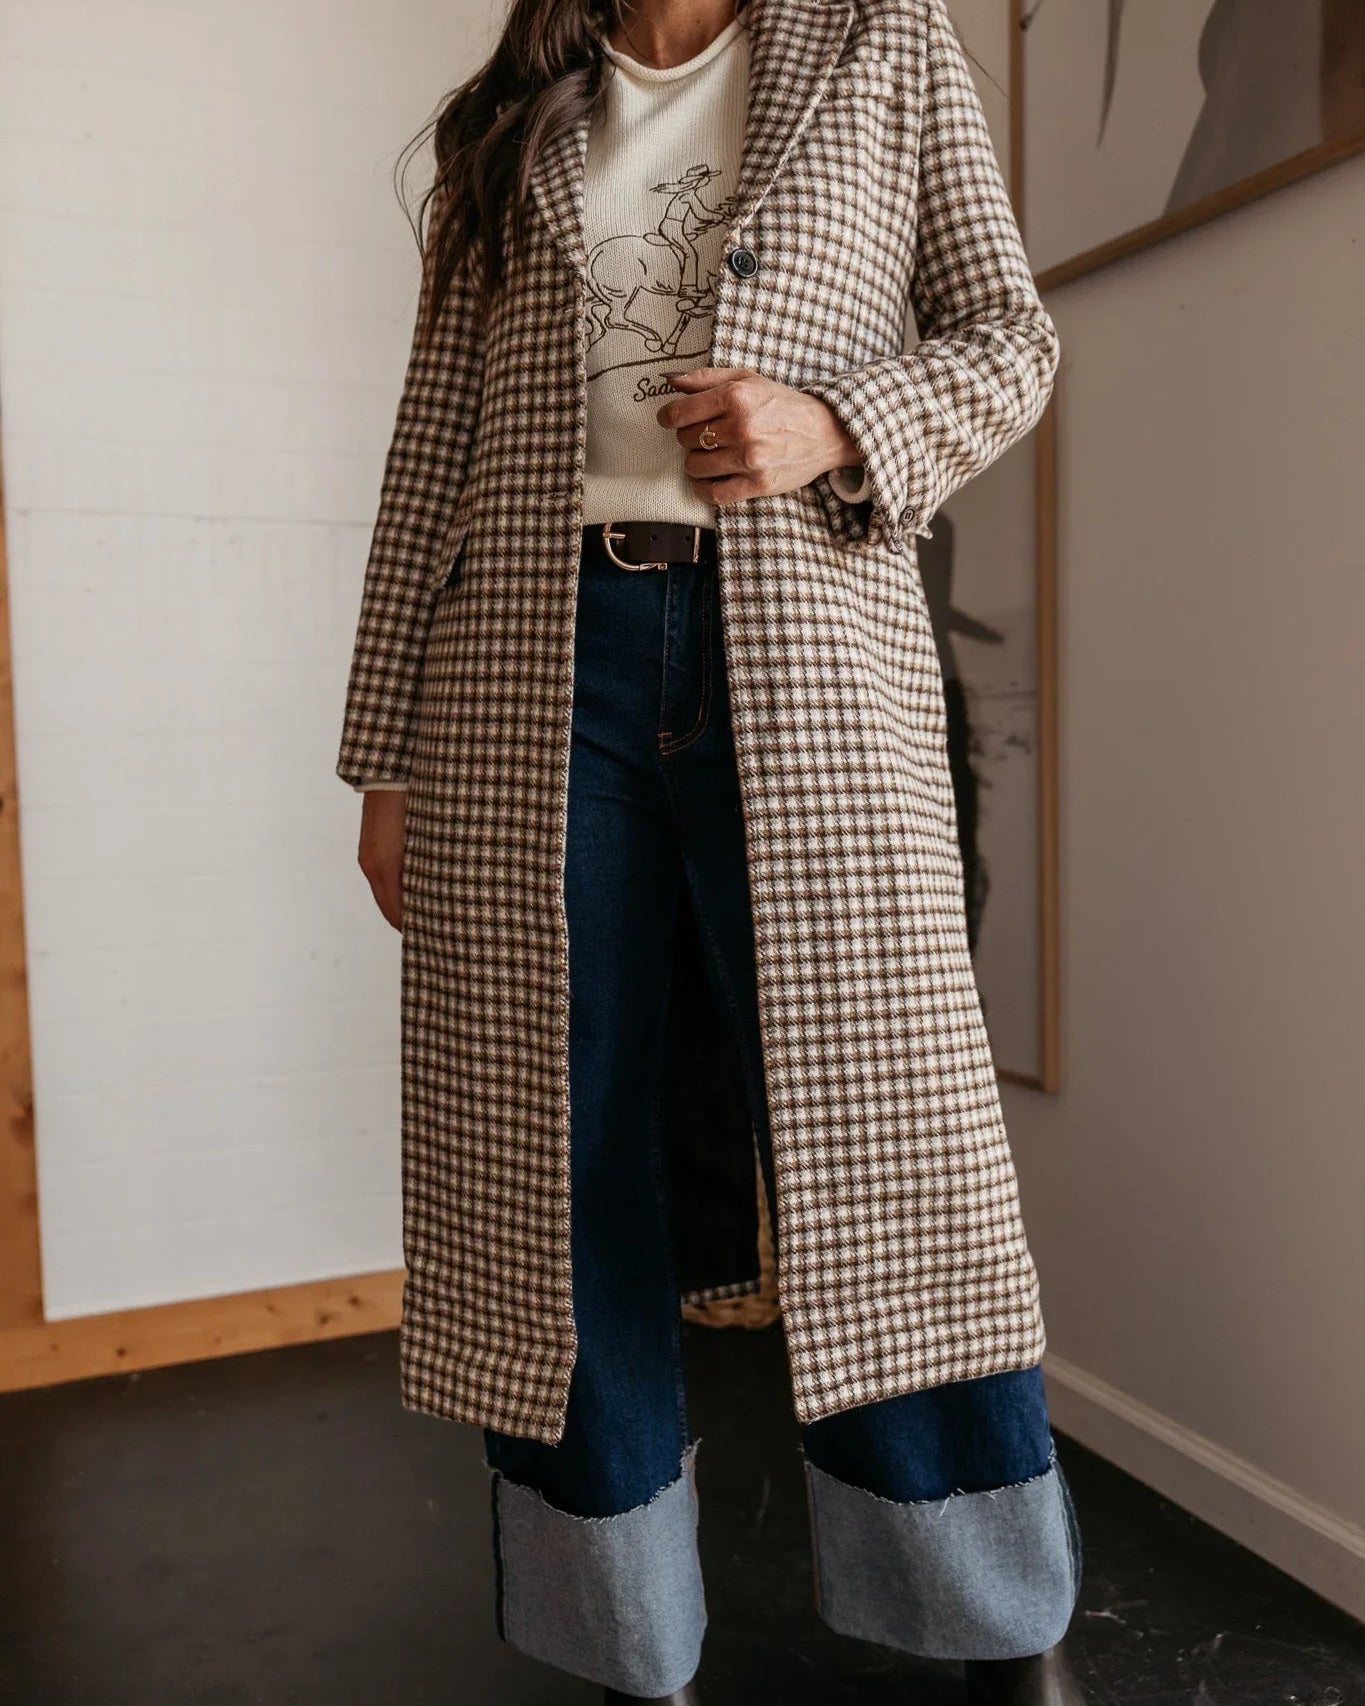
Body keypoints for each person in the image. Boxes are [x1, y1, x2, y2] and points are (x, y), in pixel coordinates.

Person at [337, 0, 1087, 1700]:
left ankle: (996, 1620)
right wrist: (382, 753)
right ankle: (621, 1639)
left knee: (888, 1145)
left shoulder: (880, 41)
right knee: (555, 1151)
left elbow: (1007, 334)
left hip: (805, 658)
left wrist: (836, 426)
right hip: (534, 676)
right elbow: (429, 446)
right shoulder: (513, 116)